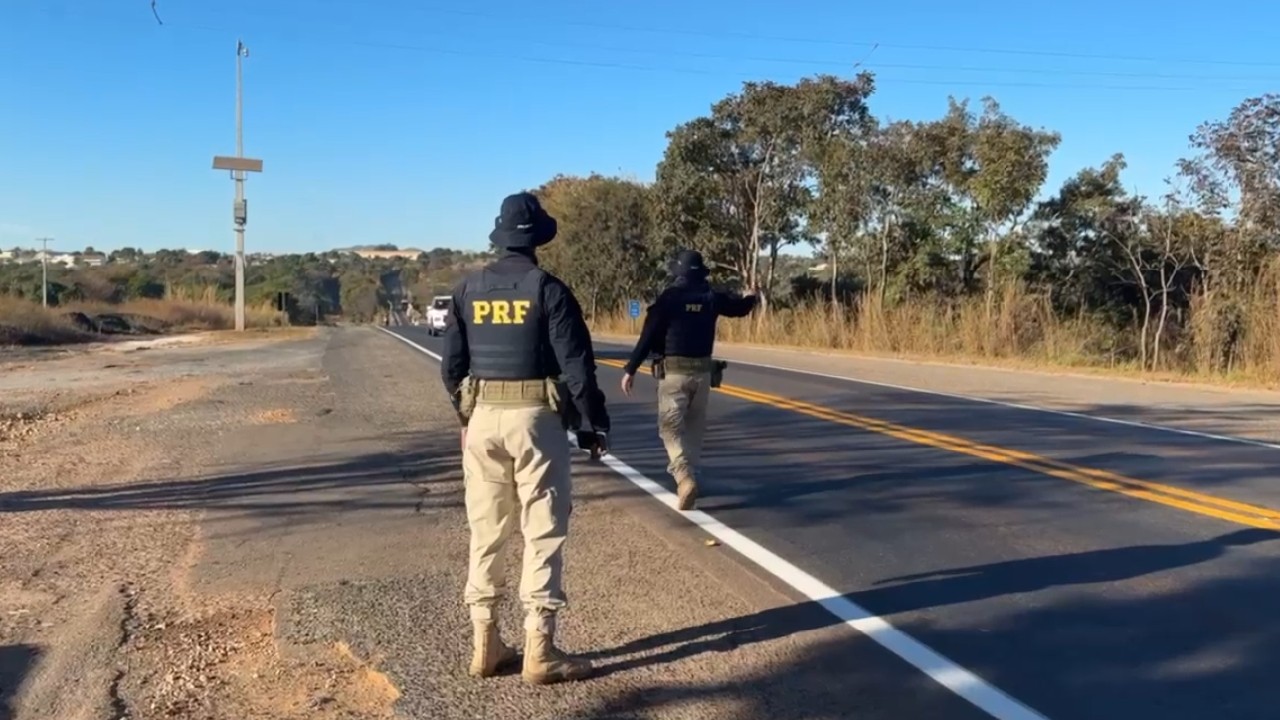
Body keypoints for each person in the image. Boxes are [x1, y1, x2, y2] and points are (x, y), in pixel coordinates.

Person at [440, 191, 610, 685]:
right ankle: (540, 649)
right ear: (537, 239)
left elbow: (452, 368)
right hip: (536, 419)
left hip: (483, 419)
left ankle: (485, 643)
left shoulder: (467, 289)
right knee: (542, 529)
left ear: (499, 236)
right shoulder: (548, 290)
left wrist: (468, 417)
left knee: (486, 530)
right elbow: (577, 367)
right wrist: (592, 423)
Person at [620, 249, 758, 511]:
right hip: (703, 374)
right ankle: (692, 475)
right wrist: (751, 297)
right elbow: (738, 309)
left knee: (670, 428)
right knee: (694, 427)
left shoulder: (669, 298)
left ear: (678, 272)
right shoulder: (711, 297)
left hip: (674, 374)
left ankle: (683, 476)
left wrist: (631, 369)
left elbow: (648, 336)